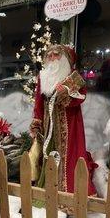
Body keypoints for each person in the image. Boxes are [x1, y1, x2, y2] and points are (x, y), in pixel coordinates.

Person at [29, 44, 97, 202]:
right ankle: (48, 189)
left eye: (56, 55)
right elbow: (39, 100)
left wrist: (65, 92)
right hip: (48, 126)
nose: (52, 58)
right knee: (48, 154)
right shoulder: (43, 76)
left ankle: (69, 192)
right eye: (50, 55)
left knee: (69, 156)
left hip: (70, 124)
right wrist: (37, 120)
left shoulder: (72, 77)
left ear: (65, 58)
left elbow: (80, 97)